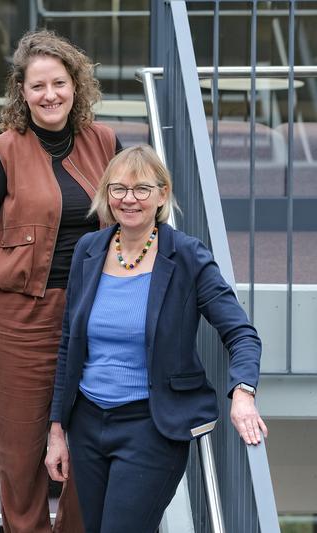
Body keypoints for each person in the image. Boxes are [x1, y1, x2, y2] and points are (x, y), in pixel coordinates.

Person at [45, 145, 267, 533]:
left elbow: (241, 332)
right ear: (106, 194)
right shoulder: (88, 250)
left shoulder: (187, 257)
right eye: (118, 189)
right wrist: (57, 430)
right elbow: (70, 345)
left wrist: (243, 392)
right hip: (88, 424)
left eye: (141, 189)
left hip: (151, 427)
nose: (128, 199)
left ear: (162, 195)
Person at [0, 29, 120, 533]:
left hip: (95, 316)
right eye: (37, 86)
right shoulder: (2, 152)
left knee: (89, 453)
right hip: (17, 320)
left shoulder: (106, 142)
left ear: (77, 85)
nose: (50, 95)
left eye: (60, 83)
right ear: (21, 93)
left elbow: (137, 214)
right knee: (22, 459)